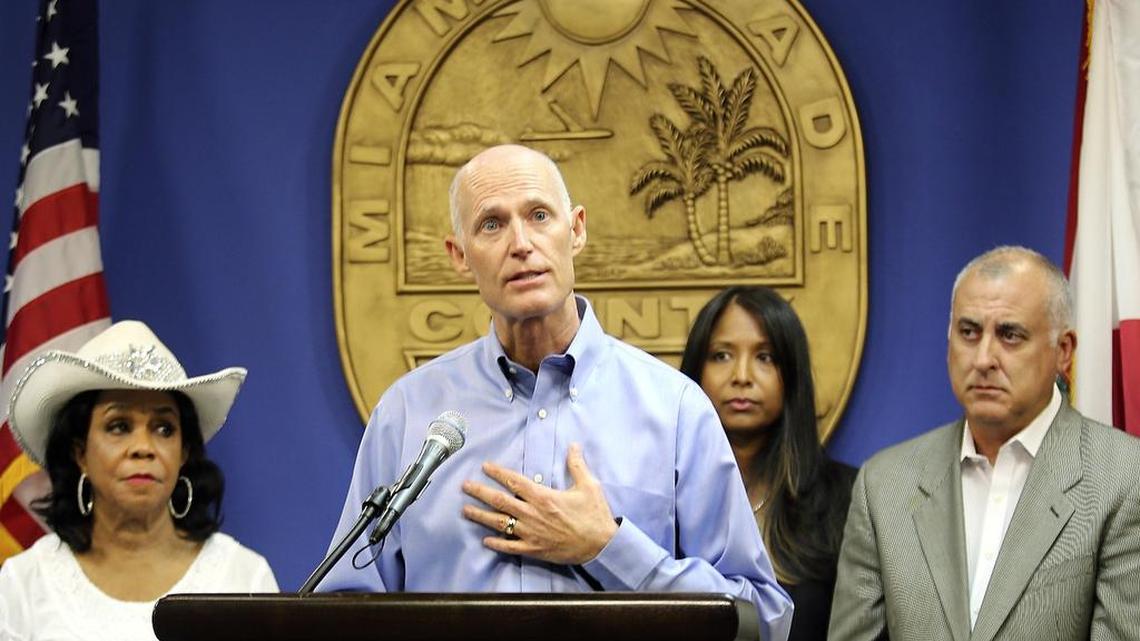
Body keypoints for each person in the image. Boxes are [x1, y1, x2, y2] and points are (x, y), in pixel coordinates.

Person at [318, 144, 793, 639]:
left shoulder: (675, 408)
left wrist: (607, 547)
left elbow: (761, 618)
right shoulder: (409, 413)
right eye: (491, 224)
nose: (520, 243)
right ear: (459, 256)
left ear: (577, 229)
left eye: (539, 215)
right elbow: (342, 607)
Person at [828, 246, 1140, 641]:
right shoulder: (885, 484)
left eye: (1010, 335)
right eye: (969, 333)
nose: (983, 359)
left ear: (1063, 352)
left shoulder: (1124, 478)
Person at [0, 321, 278, 641]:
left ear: (184, 452)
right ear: (79, 452)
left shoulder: (244, 579)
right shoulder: (23, 584)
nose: (144, 448)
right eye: (118, 426)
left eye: (164, 429)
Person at [680, 286, 856, 641]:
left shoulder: (847, 498)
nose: (741, 376)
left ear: (791, 374)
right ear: (695, 371)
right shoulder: (662, 498)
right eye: (721, 355)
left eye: (765, 357)